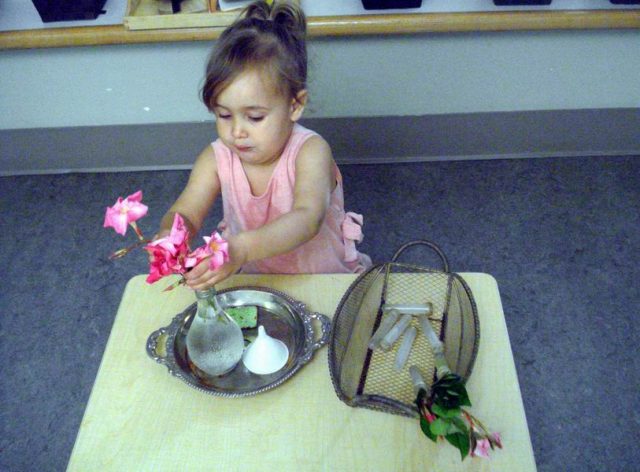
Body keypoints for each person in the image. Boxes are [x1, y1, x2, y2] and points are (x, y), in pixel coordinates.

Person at [155, 0, 371, 291]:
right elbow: (187, 212)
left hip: (321, 276)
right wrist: (171, 235)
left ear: (295, 106)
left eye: (254, 117)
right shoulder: (215, 157)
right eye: (224, 115)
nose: (236, 132)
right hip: (255, 277)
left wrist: (241, 248)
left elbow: (308, 218)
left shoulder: (311, 151)